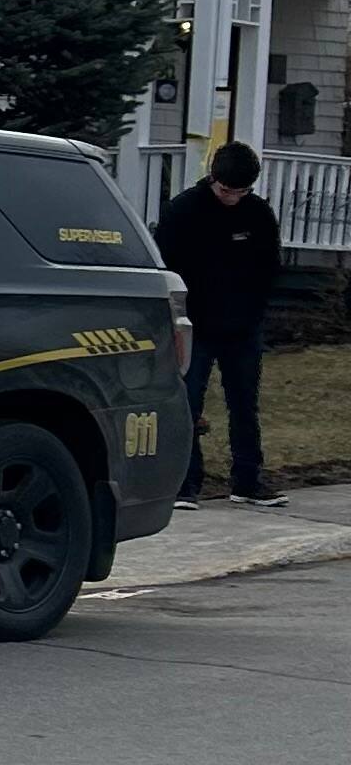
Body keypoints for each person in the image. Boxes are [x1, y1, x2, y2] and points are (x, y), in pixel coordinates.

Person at [155, 139, 285, 508]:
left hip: (242, 327)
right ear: (213, 178)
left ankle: (247, 481)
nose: (233, 197)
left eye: (241, 191)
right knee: (188, 403)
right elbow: (166, 266)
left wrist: (256, 310)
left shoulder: (257, 214)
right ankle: (185, 484)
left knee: (244, 403)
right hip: (195, 324)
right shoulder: (184, 211)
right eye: (227, 190)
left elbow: (269, 265)